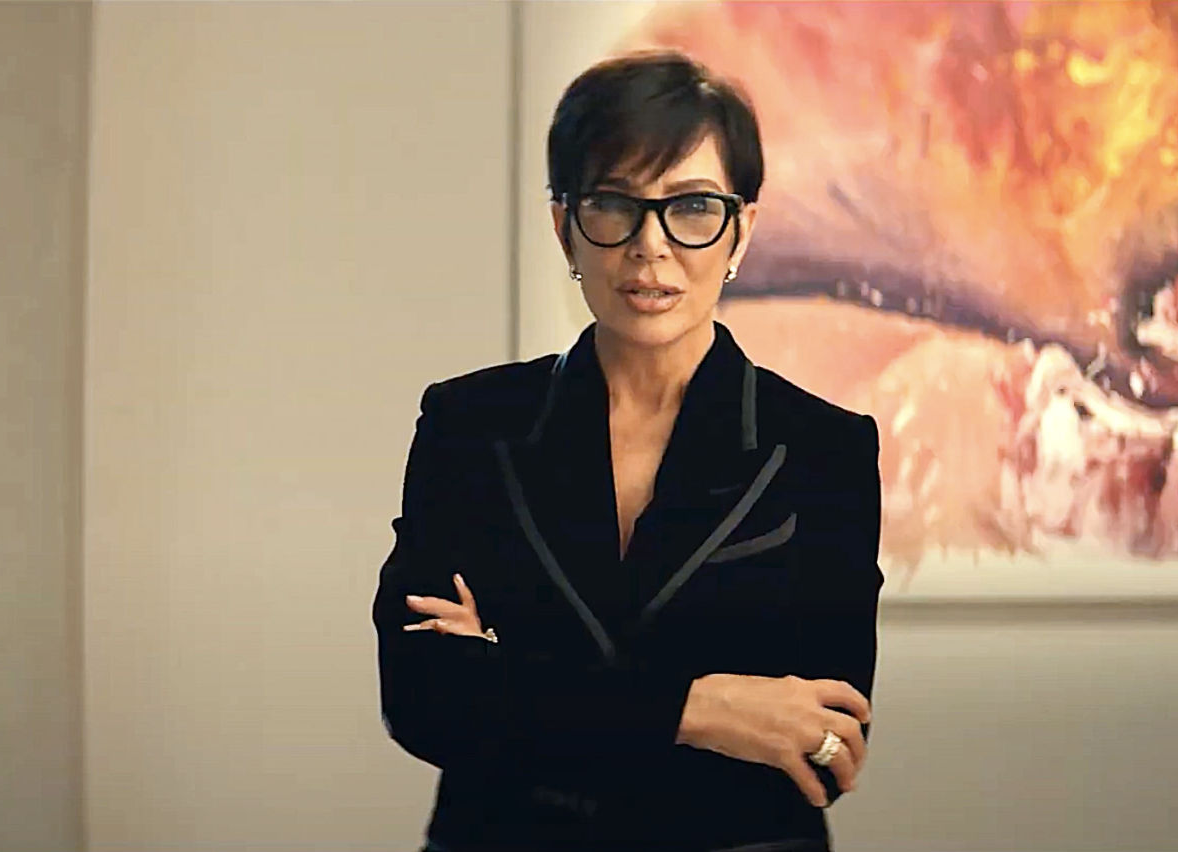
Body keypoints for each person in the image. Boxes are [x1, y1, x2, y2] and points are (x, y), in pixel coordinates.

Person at [373, 49, 884, 852]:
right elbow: (425, 699)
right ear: (565, 226)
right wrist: (703, 708)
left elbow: (822, 749)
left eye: (693, 207)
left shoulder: (825, 449)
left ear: (741, 230)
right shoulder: (469, 424)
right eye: (614, 204)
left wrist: (516, 673)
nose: (651, 246)